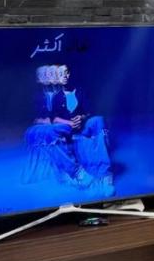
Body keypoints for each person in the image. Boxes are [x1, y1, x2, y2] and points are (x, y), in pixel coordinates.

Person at [24, 64, 114, 193]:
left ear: (69, 74)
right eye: (60, 74)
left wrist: (81, 118)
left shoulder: (81, 92)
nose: (64, 76)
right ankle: (78, 173)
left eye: (66, 73)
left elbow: (89, 111)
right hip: (66, 127)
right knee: (53, 131)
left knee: (98, 120)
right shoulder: (57, 97)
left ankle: (105, 175)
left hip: (82, 126)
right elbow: (54, 118)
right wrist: (69, 123)